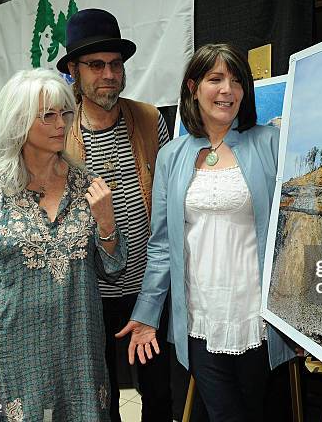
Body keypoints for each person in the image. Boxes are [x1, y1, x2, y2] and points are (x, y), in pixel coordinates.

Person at [116, 43, 296, 421]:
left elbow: (293, 232)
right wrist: (147, 314)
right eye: (215, 79)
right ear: (193, 87)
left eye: (236, 81)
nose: (227, 90)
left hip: (257, 319)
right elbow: (162, 245)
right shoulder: (172, 156)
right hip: (199, 320)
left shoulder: (271, 143)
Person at [0, 68, 127, 421]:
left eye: (65, 113)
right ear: (18, 122)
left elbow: (112, 270)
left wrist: (107, 222)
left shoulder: (90, 187)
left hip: (80, 354)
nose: (61, 124)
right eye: (48, 115)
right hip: (16, 357)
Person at [57, 8, 172, 421]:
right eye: (96, 65)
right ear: (73, 70)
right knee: (101, 400)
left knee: (160, 394)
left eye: (116, 64)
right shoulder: (60, 130)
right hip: (89, 296)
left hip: (149, 291)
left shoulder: (148, 118)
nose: (109, 74)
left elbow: (170, 198)